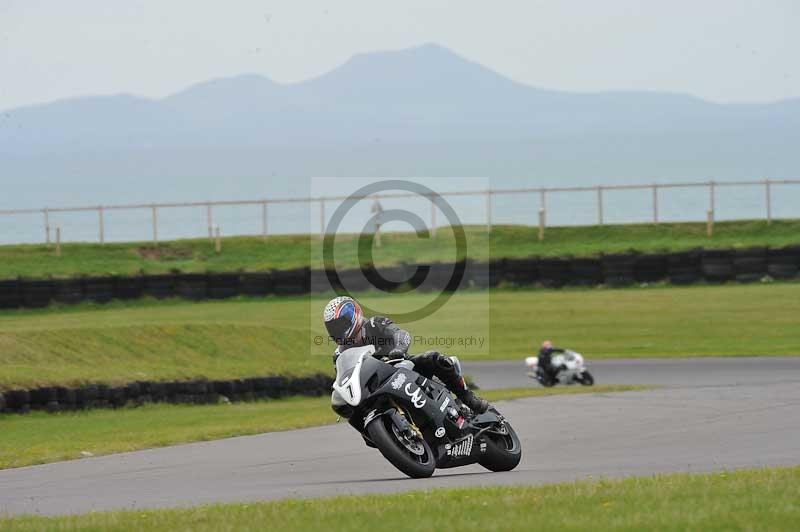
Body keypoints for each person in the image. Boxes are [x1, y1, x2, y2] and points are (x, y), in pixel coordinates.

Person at [323, 295, 490, 414]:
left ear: (354, 316)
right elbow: (345, 380)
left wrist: (398, 350)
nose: (338, 330)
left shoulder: (374, 324)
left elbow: (401, 335)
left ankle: (468, 398)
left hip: (400, 366)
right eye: (333, 328)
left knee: (435, 358)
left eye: (341, 324)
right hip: (376, 388)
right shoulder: (339, 355)